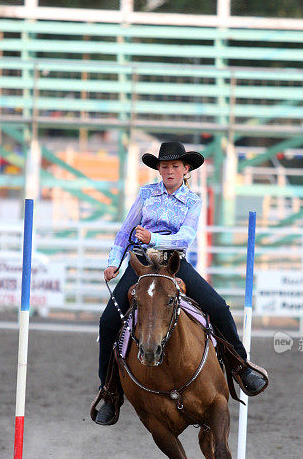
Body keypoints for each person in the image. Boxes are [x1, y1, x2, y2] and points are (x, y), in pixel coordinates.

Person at [93, 140, 268, 425]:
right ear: (159, 170)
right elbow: (124, 232)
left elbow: (185, 237)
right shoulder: (146, 194)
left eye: (175, 166)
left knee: (218, 307)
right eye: (164, 166)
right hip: (140, 264)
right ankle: (109, 393)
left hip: (173, 264)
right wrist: (114, 261)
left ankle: (240, 365)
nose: (170, 170)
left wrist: (155, 239)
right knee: (108, 321)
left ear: (186, 169)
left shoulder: (192, 201)